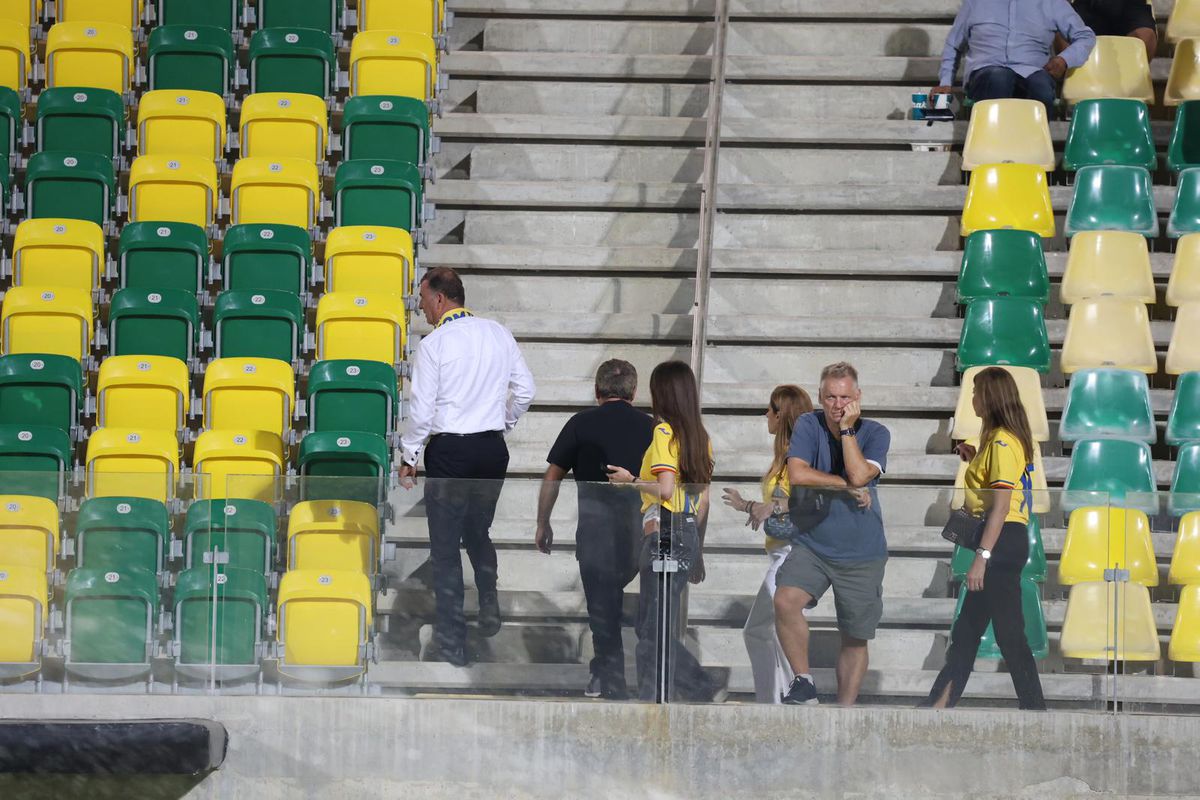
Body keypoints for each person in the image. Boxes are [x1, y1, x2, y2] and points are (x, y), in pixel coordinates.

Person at [399, 267, 537, 667]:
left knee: (444, 550)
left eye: (424, 299)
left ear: (440, 299)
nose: (422, 308)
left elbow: (422, 411)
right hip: (491, 449)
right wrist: (502, 422)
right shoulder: (498, 333)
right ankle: (489, 599)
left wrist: (410, 457)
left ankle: (453, 643)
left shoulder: (435, 344)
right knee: (478, 530)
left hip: (451, 451)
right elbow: (526, 390)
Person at [923, 367, 1047, 711]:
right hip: (1001, 540)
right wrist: (975, 459)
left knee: (1009, 634)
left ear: (990, 397)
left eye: (976, 392)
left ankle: (1035, 709)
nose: (973, 399)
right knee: (966, 632)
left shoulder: (1004, 441)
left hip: (1001, 542)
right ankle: (939, 704)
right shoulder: (995, 441)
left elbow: (1002, 506)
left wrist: (982, 556)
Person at [774, 362, 891, 707]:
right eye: (830, 397)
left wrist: (848, 432)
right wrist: (846, 486)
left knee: (854, 637)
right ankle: (804, 681)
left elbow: (859, 474)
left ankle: (844, 711)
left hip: (861, 551)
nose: (838, 405)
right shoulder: (808, 424)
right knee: (784, 600)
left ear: (858, 398)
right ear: (820, 397)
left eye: (845, 397)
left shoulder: (875, 432)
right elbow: (798, 473)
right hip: (814, 543)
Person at [536, 359, 654, 700]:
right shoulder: (652, 427)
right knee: (641, 611)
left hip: (596, 530)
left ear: (597, 390)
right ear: (633, 391)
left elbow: (552, 476)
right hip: (641, 529)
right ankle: (626, 675)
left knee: (603, 611)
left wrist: (543, 523)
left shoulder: (580, 423)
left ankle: (610, 678)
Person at [606, 360, 717, 702]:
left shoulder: (664, 432)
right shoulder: (701, 437)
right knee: (655, 624)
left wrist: (632, 481)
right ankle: (664, 694)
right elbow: (704, 500)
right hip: (686, 532)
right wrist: (696, 549)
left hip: (663, 533)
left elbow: (666, 490)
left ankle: (686, 687)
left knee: (652, 628)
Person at [722, 385, 813, 704]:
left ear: (782, 414)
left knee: (770, 629)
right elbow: (775, 505)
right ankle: (775, 701)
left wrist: (765, 507)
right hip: (779, 551)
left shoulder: (794, 458)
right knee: (761, 630)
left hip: (791, 553)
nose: (766, 415)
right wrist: (746, 504)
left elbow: (793, 503)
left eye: (771, 409)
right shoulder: (784, 456)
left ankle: (792, 699)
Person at [932, 0, 1096, 118]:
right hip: (986, 70)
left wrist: (1064, 59)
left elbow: (1085, 36)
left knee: (1040, 87)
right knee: (999, 78)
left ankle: (1036, 154)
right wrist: (946, 82)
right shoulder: (974, 3)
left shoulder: (1051, 3)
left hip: (1033, 70)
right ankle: (991, 151)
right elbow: (953, 45)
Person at [1068, 0, 1156, 62]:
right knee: (1063, 32)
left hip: (1131, 5)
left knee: (1145, 37)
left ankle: (1131, 82)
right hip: (1087, 4)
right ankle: (1070, 82)